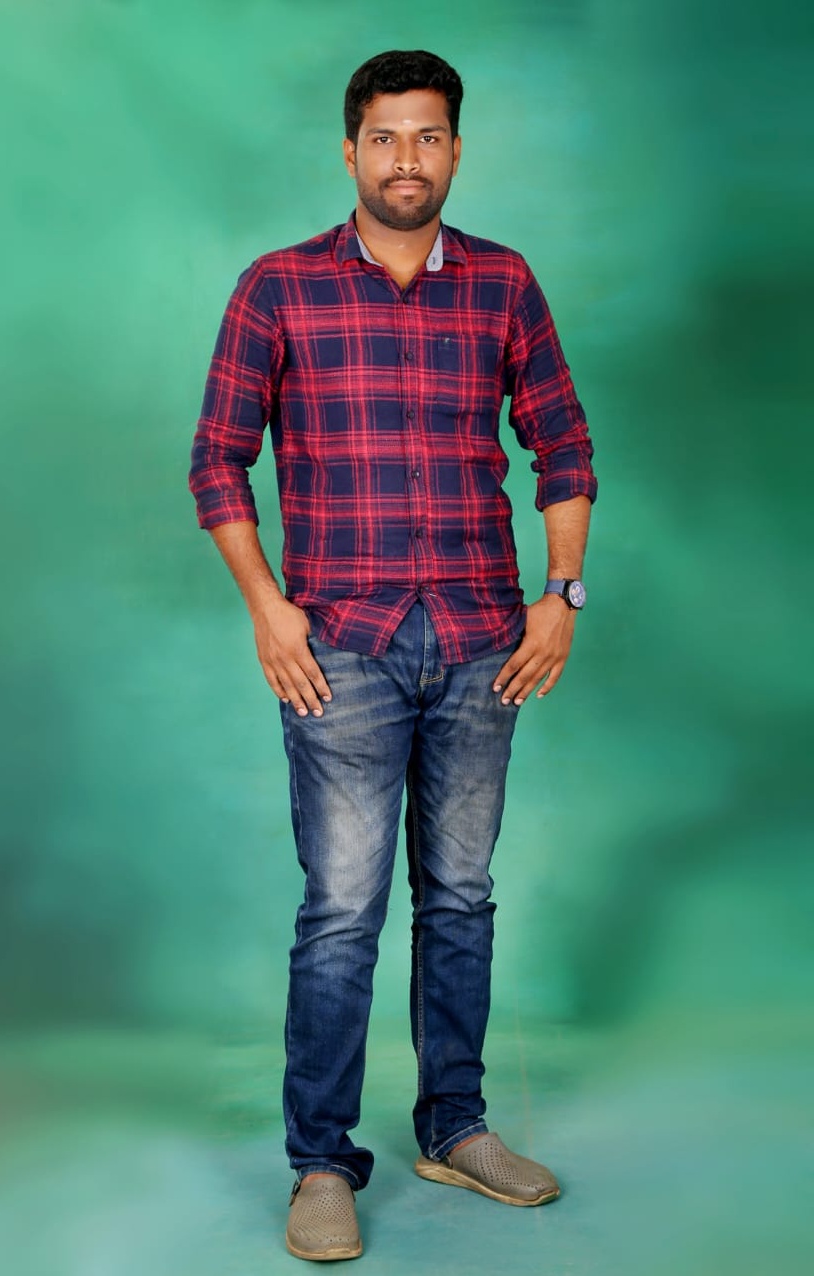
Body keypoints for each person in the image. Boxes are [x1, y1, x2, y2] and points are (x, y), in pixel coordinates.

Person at [189, 48, 597, 1263]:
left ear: (456, 151)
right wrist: (268, 608)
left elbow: (564, 444)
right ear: (350, 150)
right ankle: (322, 1161)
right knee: (342, 911)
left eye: (427, 137)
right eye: (385, 137)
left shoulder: (505, 284)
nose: (405, 159)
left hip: (481, 642)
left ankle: (454, 1126)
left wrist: (561, 594)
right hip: (343, 648)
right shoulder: (279, 287)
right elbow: (218, 459)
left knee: (460, 897)